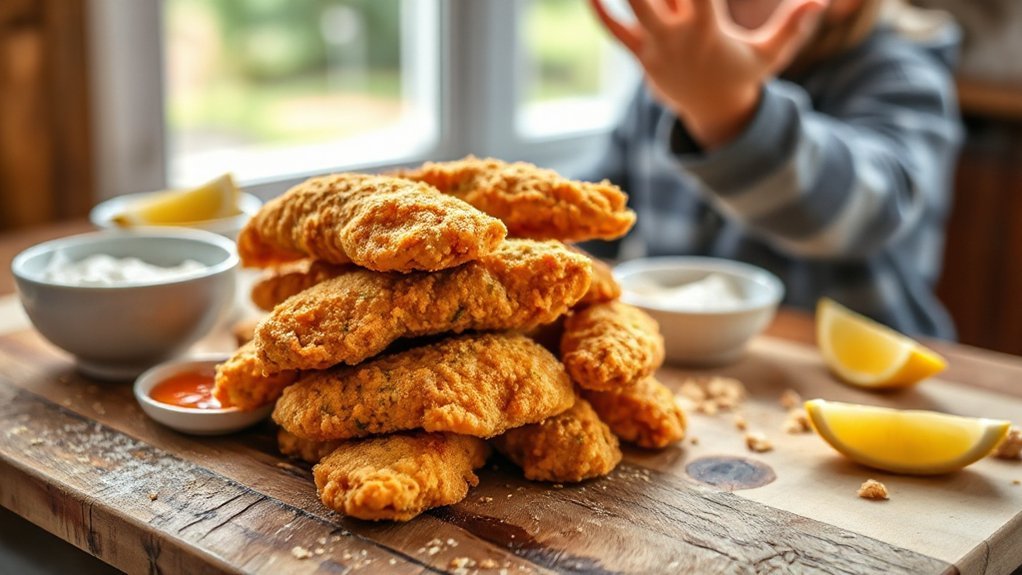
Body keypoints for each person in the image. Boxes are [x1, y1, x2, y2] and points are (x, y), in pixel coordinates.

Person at [582, 0, 962, 338]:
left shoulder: (900, 77)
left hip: (865, 373)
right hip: (695, 357)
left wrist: (726, 112)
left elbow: (869, 212)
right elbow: (594, 212)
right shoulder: (680, 72)